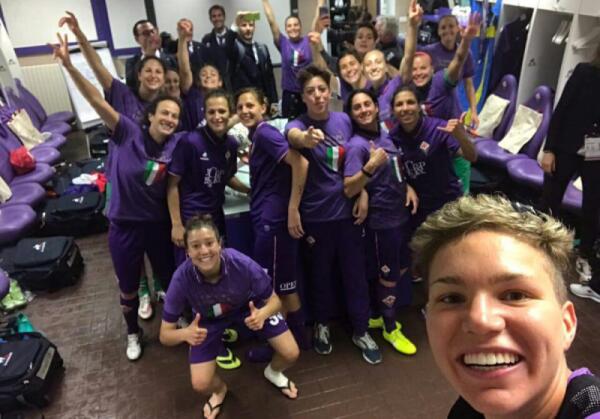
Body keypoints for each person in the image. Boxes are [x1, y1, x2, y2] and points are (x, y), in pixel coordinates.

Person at [51, 33, 182, 361]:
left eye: (174, 116)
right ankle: (133, 332)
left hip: (157, 224)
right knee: (128, 287)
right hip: (124, 225)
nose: (169, 119)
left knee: (169, 279)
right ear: (150, 116)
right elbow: (97, 100)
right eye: (164, 114)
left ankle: (174, 319)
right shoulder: (127, 131)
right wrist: (69, 65)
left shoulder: (175, 144)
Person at [411, 194, 600, 418]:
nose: (480, 320)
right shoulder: (467, 410)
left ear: (566, 324)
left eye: (515, 295)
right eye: (452, 298)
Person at [60, 11, 169, 320]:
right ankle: (142, 290)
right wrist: (79, 38)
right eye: (147, 71)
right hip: (123, 183)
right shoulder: (122, 95)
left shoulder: (165, 109)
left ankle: (159, 284)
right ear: (139, 74)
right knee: (131, 247)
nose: (153, 76)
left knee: (155, 240)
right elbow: (98, 70)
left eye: (158, 72)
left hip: (152, 189)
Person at [285, 65, 381, 364]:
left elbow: (356, 159)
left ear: (330, 92)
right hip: (316, 216)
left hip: (347, 214)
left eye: (322, 89)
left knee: (355, 275)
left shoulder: (344, 121)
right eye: (310, 91)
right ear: (303, 96)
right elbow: (294, 137)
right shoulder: (297, 124)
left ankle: (361, 329)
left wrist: (363, 192)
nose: (317, 95)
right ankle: (322, 325)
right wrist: (304, 139)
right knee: (320, 276)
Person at [159, 215, 300, 419]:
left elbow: (275, 301)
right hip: (207, 320)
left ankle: (273, 372)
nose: (204, 251)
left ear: (220, 244)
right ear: (187, 252)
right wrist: (185, 334)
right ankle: (220, 391)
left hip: (248, 307)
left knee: (291, 353)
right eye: (196, 246)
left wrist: (263, 313)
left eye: (209, 243)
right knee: (201, 384)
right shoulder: (180, 279)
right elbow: (165, 335)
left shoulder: (242, 263)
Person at [235, 87, 309, 357]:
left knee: (272, 289)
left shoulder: (265, 133)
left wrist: (292, 208)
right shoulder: (256, 136)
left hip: (273, 222)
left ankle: (277, 345)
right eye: (240, 107)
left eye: (250, 105)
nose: (245, 111)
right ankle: (300, 339)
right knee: (286, 285)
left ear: (263, 107)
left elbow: (300, 163)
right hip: (268, 218)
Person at [343, 89, 418, 355]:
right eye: (357, 107)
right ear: (352, 115)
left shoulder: (386, 136)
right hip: (381, 222)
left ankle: (379, 313)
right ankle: (389, 326)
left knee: (401, 267)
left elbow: (396, 169)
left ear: (377, 107)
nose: (363, 110)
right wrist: (370, 166)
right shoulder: (357, 146)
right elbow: (349, 188)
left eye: (367, 104)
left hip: (401, 216)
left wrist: (407, 186)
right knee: (388, 276)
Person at [541, 48, 600, 302]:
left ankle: (585, 255)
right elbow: (562, 110)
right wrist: (549, 149)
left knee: (593, 207)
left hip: (596, 154)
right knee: (551, 199)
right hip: (565, 147)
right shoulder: (584, 72)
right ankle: (543, 247)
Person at [389, 85, 477, 232]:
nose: (405, 108)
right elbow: (393, 169)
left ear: (419, 106)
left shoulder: (439, 128)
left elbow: (472, 156)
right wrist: (405, 186)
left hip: (447, 203)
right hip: (418, 207)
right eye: (399, 104)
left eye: (410, 102)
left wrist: (461, 136)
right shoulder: (392, 137)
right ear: (393, 111)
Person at [411, 12, 481, 195]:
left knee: (460, 196)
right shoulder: (412, 92)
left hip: (453, 133)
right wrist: (412, 26)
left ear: (432, 69)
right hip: (433, 145)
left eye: (451, 26)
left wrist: (466, 40)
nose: (419, 72)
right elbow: (409, 55)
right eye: (443, 27)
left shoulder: (440, 81)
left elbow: (461, 67)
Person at [362, 0, 422, 130]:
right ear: (364, 70)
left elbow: (408, 57)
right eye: (368, 64)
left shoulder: (396, 85)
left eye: (378, 62)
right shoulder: (364, 93)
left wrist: (412, 25)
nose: (374, 67)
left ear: (386, 67)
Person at [262, 0, 313, 118]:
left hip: (307, 92)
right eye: (289, 26)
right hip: (289, 95)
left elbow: (317, 21)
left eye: (296, 25)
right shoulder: (283, 42)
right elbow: (271, 21)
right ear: (285, 29)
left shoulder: (308, 41)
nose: (293, 28)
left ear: (300, 27)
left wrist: (321, 3)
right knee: (290, 126)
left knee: (309, 123)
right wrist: (264, 1)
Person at [177, 20, 225, 131]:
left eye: (213, 74)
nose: (208, 76)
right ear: (198, 81)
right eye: (203, 74)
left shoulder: (225, 100)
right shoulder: (193, 94)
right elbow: (185, 70)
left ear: (220, 82)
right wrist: (182, 38)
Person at [230, 13, 278, 113]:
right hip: (245, 104)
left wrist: (274, 102)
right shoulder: (235, 48)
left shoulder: (262, 48)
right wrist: (235, 23)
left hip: (264, 102)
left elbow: (270, 78)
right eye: (244, 25)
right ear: (238, 28)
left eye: (251, 25)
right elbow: (228, 41)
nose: (248, 28)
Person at [125, 19, 177, 89]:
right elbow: (131, 87)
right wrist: (148, 53)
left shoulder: (171, 59)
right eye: (146, 33)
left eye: (152, 31)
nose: (151, 35)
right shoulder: (131, 63)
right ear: (137, 39)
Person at [201, 5, 238, 91]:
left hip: (235, 82)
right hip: (216, 85)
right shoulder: (206, 40)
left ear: (224, 17)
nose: (217, 19)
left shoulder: (235, 37)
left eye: (219, 15)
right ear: (210, 19)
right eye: (214, 16)